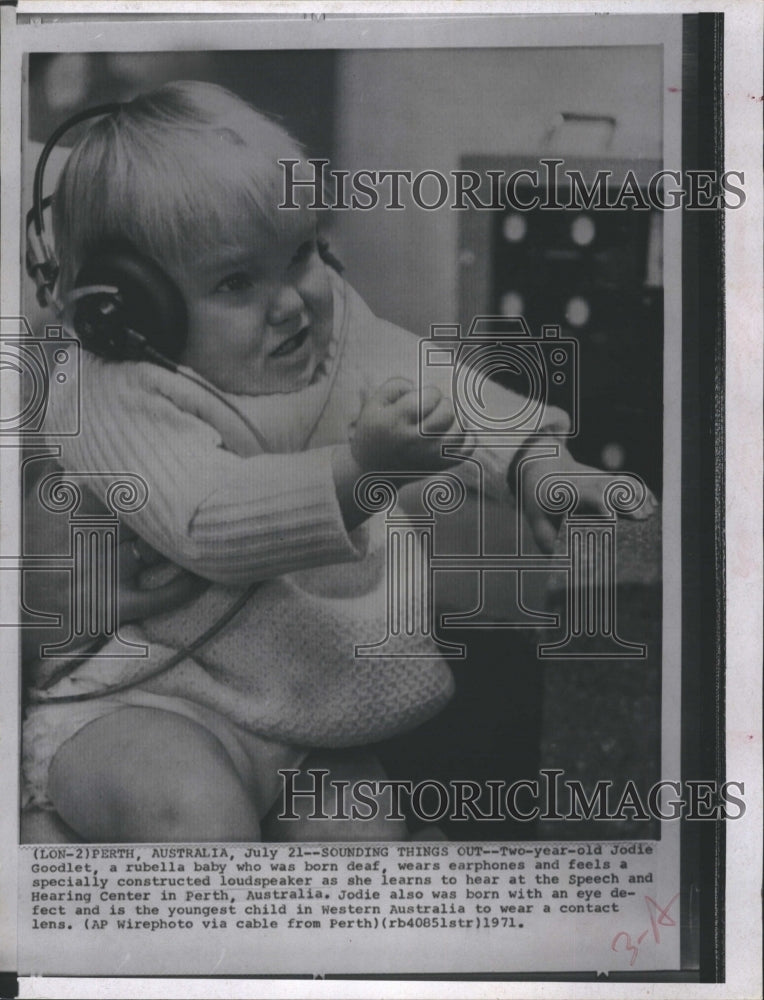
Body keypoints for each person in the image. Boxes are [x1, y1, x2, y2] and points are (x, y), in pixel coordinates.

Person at [22, 80, 655, 843]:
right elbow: (209, 521)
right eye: (235, 282)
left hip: (302, 712)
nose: (291, 301)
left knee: (366, 849)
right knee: (195, 816)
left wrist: (534, 463)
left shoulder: (322, 329)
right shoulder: (111, 389)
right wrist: (362, 476)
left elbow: (437, 383)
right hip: (142, 705)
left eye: (299, 255)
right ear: (132, 308)